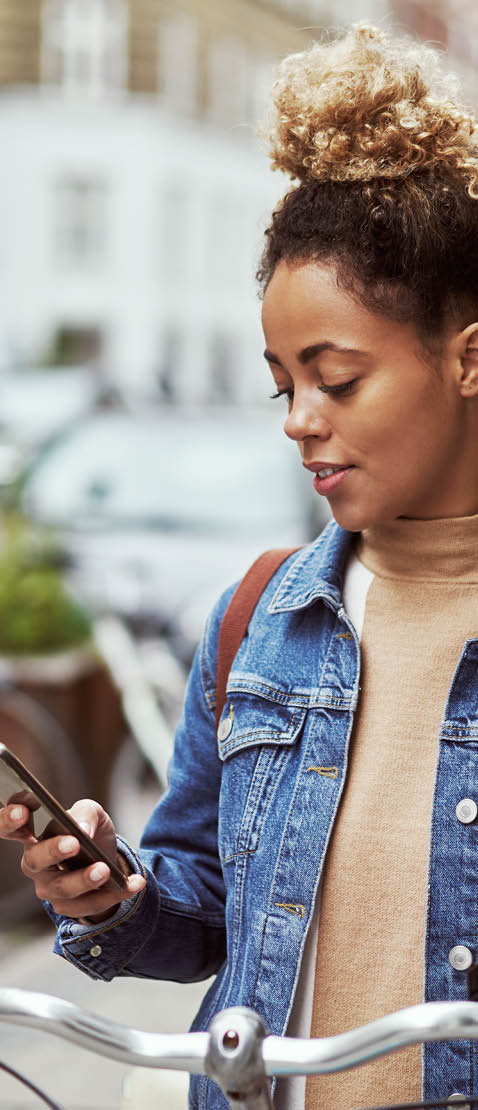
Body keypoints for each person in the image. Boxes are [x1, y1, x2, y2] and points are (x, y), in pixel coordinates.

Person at [2, 21, 478, 1110]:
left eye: (336, 380)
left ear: (467, 358)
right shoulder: (263, 617)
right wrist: (107, 899)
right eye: (281, 385)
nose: (300, 422)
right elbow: (205, 913)